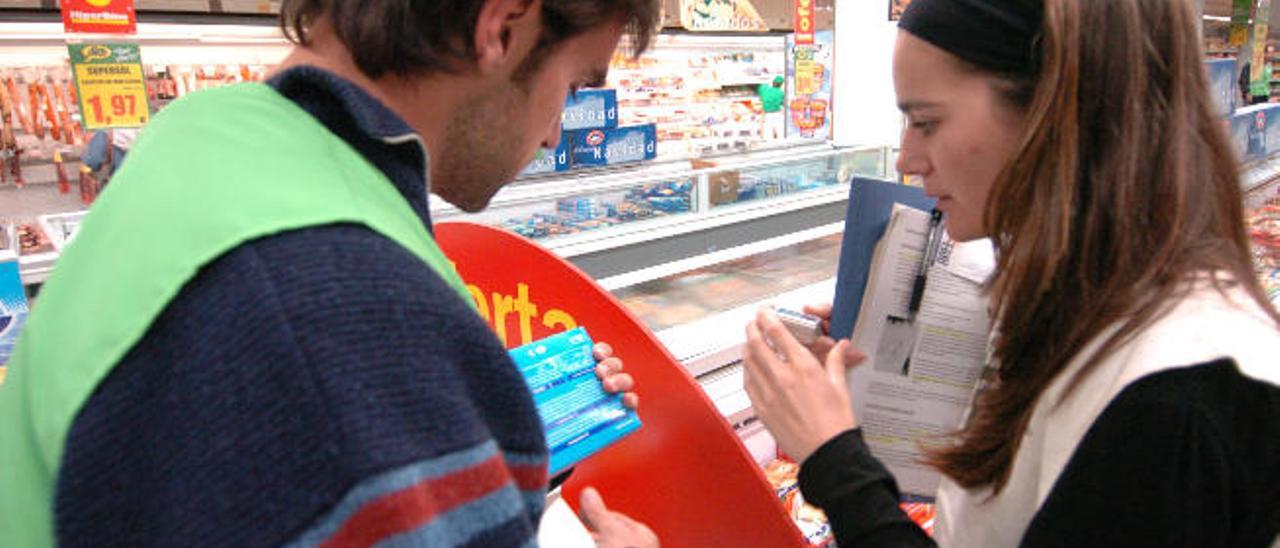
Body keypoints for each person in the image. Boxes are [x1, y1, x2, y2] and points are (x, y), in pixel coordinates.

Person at [0, 0, 661, 546]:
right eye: (574, 84)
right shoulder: (333, 306)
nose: (554, 135)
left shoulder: (202, 138)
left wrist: (478, 440)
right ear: (503, 25)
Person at [742, 0, 1280, 546]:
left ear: (1054, 112)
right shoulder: (1089, 297)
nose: (907, 158)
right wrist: (892, 354)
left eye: (926, 122)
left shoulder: (1172, 410)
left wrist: (835, 462)